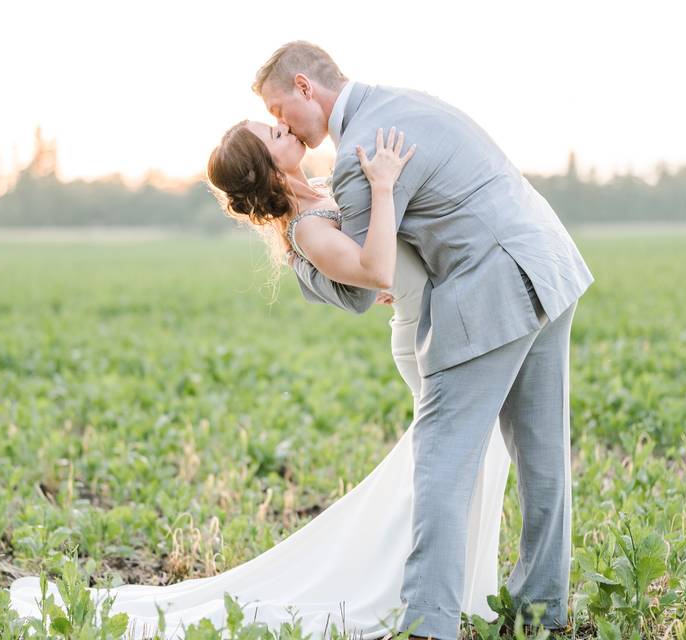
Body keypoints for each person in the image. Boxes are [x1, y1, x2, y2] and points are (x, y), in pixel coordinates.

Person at [0, 120, 514, 640]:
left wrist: (395, 267)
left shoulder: (317, 197)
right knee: (461, 457)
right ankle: (428, 590)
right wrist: (382, 187)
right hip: (425, 339)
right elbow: (374, 266)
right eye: (274, 132)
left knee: (459, 460)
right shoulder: (309, 225)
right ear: (269, 166)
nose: (287, 128)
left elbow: (376, 269)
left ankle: (447, 587)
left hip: (427, 321)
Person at [252, 41, 595, 639]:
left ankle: (427, 624)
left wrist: (296, 256)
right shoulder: (402, 102)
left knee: (440, 456)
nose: (284, 125)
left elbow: (362, 283)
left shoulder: (361, 154)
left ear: (306, 87)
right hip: (549, 259)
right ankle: (544, 611)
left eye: (281, 111)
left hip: (495, 285)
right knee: (543, 457)